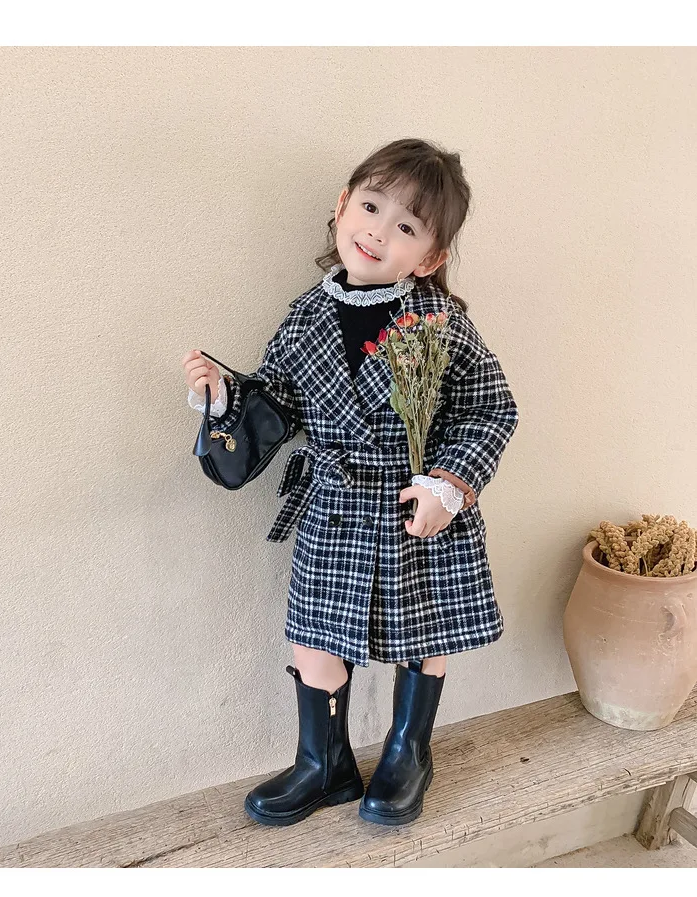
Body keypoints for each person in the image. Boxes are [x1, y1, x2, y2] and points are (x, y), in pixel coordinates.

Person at [180, 137, 520, 828]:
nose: (378, 231)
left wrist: (449, 483)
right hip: (333, 505)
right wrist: (224, 397)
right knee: (315, 634)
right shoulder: (306, 316)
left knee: (421, 631)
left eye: (406, 226)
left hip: (414, 508)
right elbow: (278, 402)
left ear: (429, 258)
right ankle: (323, 762)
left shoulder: (441, 322)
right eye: (370, 207)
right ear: (342, 207)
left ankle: (407, 752)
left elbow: (491, 408)